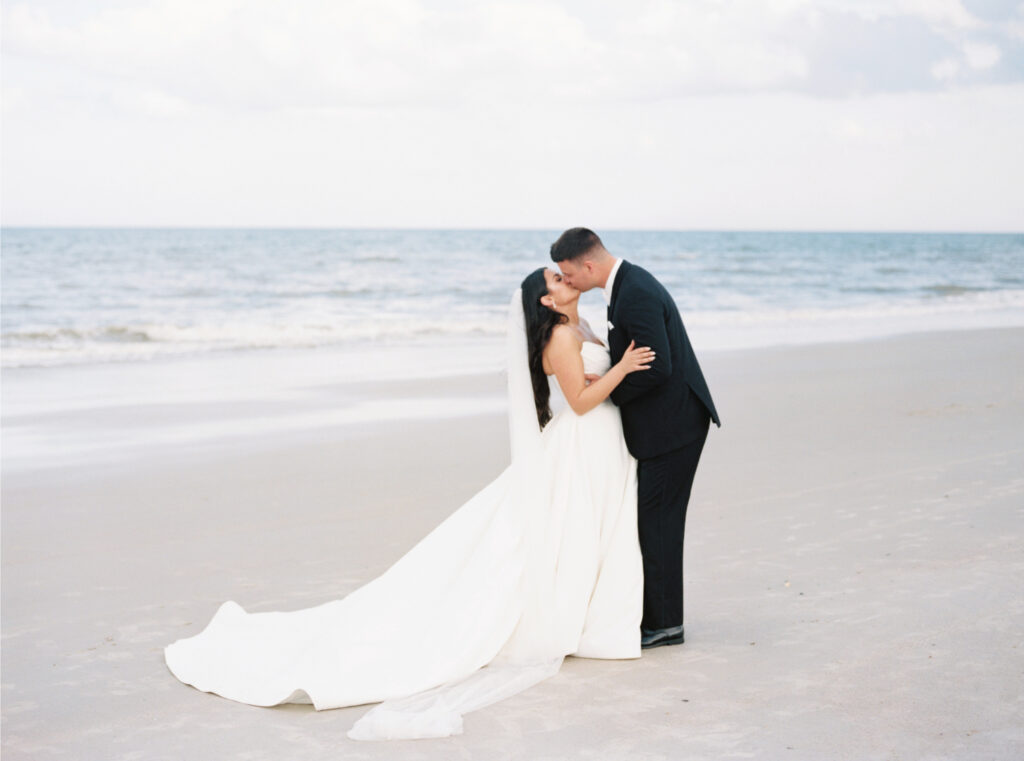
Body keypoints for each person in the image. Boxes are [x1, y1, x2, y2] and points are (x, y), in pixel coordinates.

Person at [164, 267, 654, 740]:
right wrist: (627, 367)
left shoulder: (581, 325)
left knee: (581, 529)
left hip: (597, 444)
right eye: (553, 278)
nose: (563, 278)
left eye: (562, 273)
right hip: (582, 440)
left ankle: (590, 611)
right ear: (546, 301)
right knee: (554, 532)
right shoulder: (562, 338)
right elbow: (583, 401)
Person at [550, 228, 720, 649]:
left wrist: (610, 390)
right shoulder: (625, 285)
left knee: (658, 523)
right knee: (654, 522)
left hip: (674, 426)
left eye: (568, 273)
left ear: (588, 265)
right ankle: (662, 618)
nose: (567, 281)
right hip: (670, 423)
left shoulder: (635, 291)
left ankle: (665, 624)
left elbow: (657, 366)